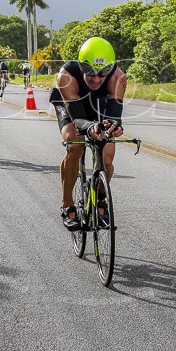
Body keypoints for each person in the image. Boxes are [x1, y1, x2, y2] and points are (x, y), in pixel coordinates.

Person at [49, 37, 127, 231]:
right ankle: (67, 205)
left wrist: (114, 126)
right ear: (81, 66)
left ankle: (100, 199)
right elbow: (77, 120)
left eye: (103, 73)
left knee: (107, 155)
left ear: (111, 68)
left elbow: (114, 114)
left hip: (98, 106)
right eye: (89, 71)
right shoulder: (66, 76)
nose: (96, 78)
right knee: (75, 145)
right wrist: (89, 127)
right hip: (70, 104)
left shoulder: (118, 78)